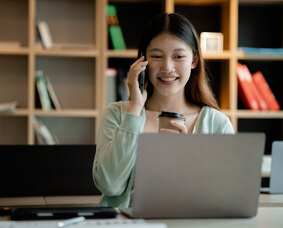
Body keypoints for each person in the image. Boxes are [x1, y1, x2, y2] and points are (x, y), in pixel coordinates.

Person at [93, 12, 234, 208]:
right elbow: (110, 186)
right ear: (143, 61)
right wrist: (134, 109)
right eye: (157, 56)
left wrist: (188, 158)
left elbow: (223, 198)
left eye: (178, 56)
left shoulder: (218, 124)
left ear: (194, 60)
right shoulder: (116, 115)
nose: (167, 67)